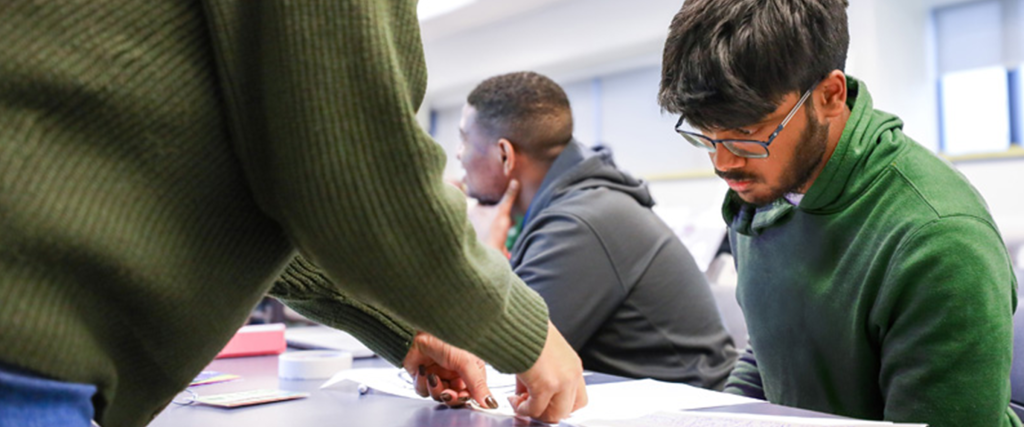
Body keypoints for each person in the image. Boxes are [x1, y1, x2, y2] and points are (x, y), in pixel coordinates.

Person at [0, 1, 587, 426]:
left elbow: (292, 193)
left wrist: (405, 329)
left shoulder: (582, 219)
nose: (457, 156)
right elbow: (357, 176)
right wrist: (524, 330)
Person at [658, 1, 1019, 426]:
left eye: (747, 132)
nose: (724, 163)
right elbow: (770, 354)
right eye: (705, 133)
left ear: (830, 95)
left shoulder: (939, 239)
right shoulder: (764, 187)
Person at [458, 71, 737, 388]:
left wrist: (482, 255)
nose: (458, 154)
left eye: (465, 140)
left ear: (505, 155)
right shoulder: (576, 206)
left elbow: (494, 357)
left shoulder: (579, 222)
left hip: (690, 408)